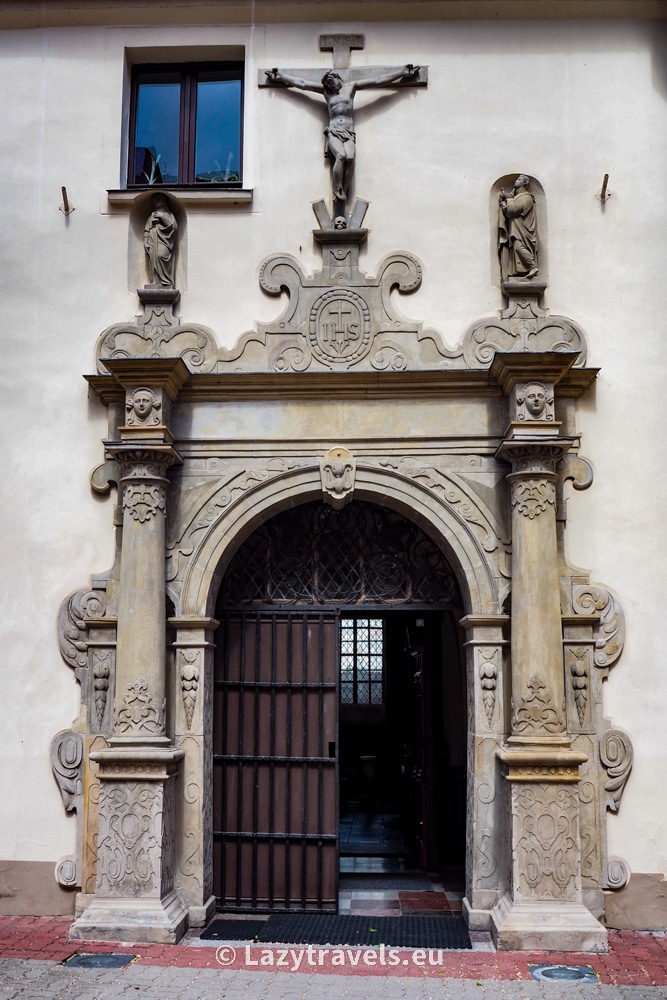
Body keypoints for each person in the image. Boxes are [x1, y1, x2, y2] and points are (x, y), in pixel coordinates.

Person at [266, 64, 419, 201]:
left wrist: (401, 73)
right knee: (341, 155)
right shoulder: (327, 92)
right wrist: (281, 77)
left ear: (337, 78)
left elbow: (378, 80)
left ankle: (343, 189)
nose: (330, 87)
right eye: (327, 85)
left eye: (331, 83)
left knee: (351, 158)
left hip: (349, 132)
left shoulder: (351, 87)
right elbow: (303, 84)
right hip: (334, 131)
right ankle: (337, 188)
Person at [498, 174, 538, 281]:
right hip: (516, 229)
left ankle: (532, 266)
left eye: (519, 179)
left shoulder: (526, 197)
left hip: (522, 231)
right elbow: (509, 211)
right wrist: (504, 203)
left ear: (525, 183)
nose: (516, 181)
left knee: (518, 247)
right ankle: (526, 269)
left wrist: (509, 199)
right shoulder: (518, 197)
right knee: (516, 248)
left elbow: (512, 211)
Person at [143, 194, 178, 286]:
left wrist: (162, 216)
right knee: (152, 259)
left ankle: (165, 281)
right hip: (152, 238)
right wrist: (145, 241)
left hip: (164, 240)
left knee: (161, 255)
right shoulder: (151, 215)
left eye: (158, 199)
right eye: (155, 200)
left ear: (163, 201)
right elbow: (147, 229)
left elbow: (173, 227)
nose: (156, 202)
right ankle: (154, 281)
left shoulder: (169, 215)